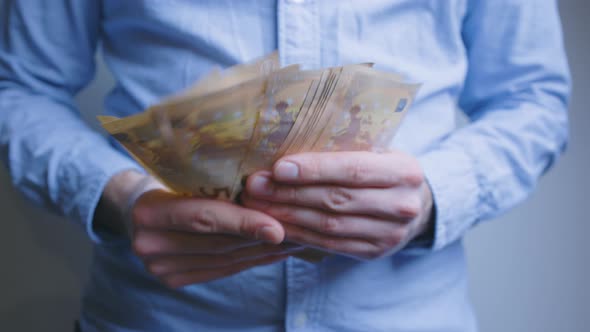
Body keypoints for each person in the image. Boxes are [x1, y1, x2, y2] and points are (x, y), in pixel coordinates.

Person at [0, 1, 570, 331]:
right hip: (156, 319)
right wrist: (120, 197)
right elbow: (20, 87)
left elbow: (534, 95)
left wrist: (434, 198)